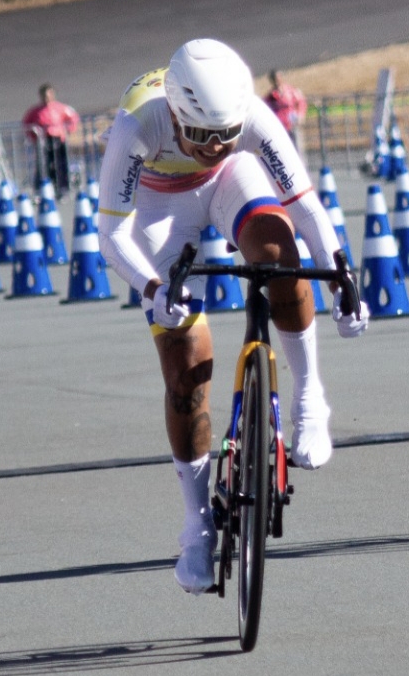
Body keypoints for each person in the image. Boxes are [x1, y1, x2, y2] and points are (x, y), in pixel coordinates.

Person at [96, 39, 369, 595]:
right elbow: (111, 234)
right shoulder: (137, 125)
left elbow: (305, 204)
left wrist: (342, 277)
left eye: (225, 134)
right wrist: (152, 287)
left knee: (278, 256)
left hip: (229, 187)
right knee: (185, 366)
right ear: (175, 112)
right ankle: (196, 527)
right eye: (200, 136)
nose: (214, 145)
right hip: (156, 210)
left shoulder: (248, 123)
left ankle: (309, 396)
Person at [22, 83, 80, 197]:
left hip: (58, 138)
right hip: (44, 140)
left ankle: (63, 186)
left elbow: (73, 117)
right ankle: (44, 186)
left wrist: (68, 129)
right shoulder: (35, 111)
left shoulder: (61, 108)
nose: (47, 98)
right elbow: (27, 124)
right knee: (45, 164)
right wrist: (33, 136)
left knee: (61, 163)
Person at [263, 69, 307, 146]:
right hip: (279, 127)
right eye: (274, 79)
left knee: (297, 147)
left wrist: (300, 115)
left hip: (292, 124)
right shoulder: (270, 96)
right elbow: (265, 110)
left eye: (278, 78)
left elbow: (301, 102)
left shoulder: (291, 91)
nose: (277, 81)